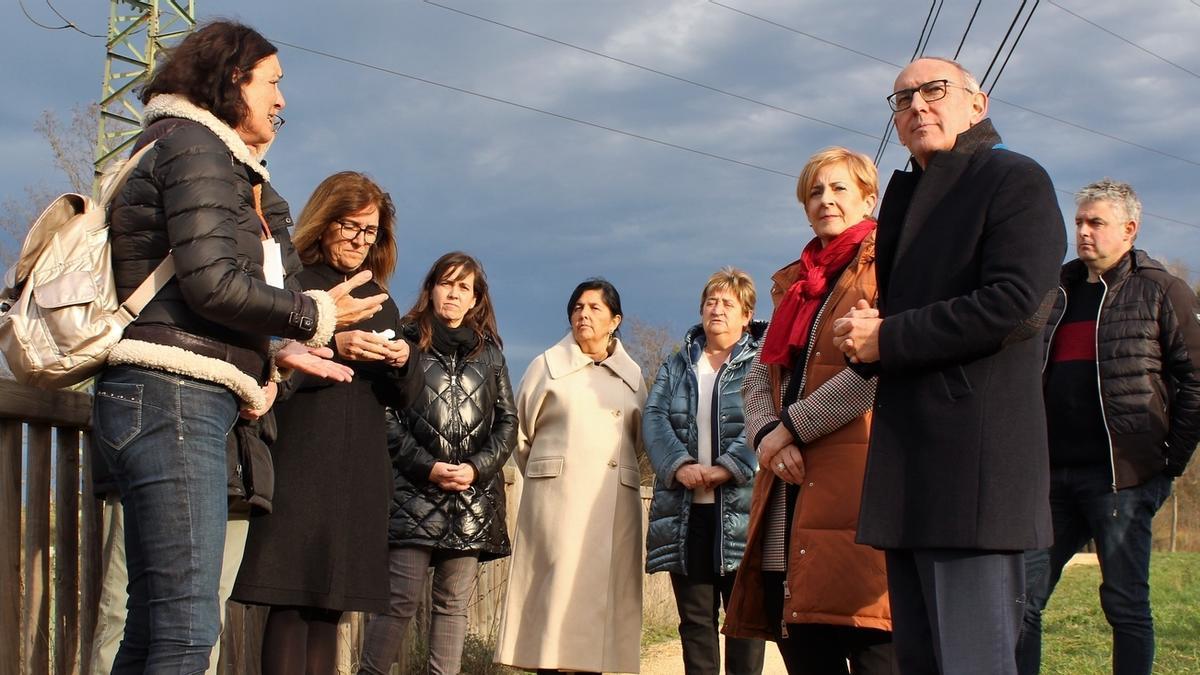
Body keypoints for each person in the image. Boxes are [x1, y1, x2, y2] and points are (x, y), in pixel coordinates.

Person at [92, 21, 382, 671]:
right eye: (272, 83)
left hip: (156, 395)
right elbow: (212, 282)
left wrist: (270, 355)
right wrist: (314, 314)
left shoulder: (183, 149)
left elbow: (198, 289)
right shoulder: (196, 147)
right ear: (230, 81)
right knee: (187, 627)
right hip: (173, 398)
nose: (282, 100)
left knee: (152, 623)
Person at [830, 57, 1066, 674]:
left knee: (974, 661)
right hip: (911, 465)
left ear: (977, 104)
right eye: (902, 98)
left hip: (973, 469)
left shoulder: (1014, 179)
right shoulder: (910, 200)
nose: (916, 106)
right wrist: (867, 340)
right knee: (924, 661)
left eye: (934, 91)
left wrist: (889, 337)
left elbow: (1016, 305)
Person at [231, 171, 420, 674]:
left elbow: (402, 399)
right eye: (350, 227)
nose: (361, 241)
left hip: (359, 467)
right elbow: (268, 362)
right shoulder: (294, 284)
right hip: (300, 458)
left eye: (371, 231)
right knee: (291, 600)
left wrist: (402, 360)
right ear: (325, 222)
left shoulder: (381, 298)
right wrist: (334, 343)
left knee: (330, 606)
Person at [1016, 179, 1200, 675]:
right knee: (1021, 604)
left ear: (1129, 229)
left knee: (1125, 607)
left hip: (1122, 481)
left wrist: (1167, 465)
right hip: (1050, 480)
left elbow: (1196, 381)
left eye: (1095, 222)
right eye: (1079, 222)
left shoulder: (1162, 290)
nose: (1083, 232)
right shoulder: (1055, 291)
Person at [723, 147, 894, 674]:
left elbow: (883, 368)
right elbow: (759, 375)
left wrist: (792, 429)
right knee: (802, 641)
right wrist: (767, 434)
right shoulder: (797, 283)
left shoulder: (888, 265)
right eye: (815, 191)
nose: (826, 200)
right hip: (788, 494)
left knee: (874, 646)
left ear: (869, 196)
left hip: (858, 485)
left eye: (839, 188)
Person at [357, 251, 518, 675]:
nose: (453, 292)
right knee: (400, 599)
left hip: (472, 495)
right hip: (412, 492)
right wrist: (426, 465)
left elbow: (507, 423)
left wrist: (477, 468)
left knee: (452, 606)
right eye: (446, 282)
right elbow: (385, 415)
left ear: (475, 299)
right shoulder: (403, 342)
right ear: (430, 290)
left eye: (463, 286)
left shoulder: (492, 356)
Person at [495, 278, 646, 675]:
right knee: (555, 598)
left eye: (595, 308)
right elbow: (521, 433)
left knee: (604, 602)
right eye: (578, 307)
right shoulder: (546, 366)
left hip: (613, 502)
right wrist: (555, 475)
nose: (584, 314)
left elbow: (641, 439)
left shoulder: (633, 376)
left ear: (616, 320)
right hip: (557, 501)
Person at [643, 267, 767, 675]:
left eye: (728, 303)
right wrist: (679, 466)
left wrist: (728, 467)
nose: (717, 309)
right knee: (695, 621)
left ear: (746, 315)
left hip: (742, 512)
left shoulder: (764, 362)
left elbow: (764, 419)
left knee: (744, 621)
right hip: (685, 512)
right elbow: (655, 417)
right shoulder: (676, 364)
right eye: (711, 301)